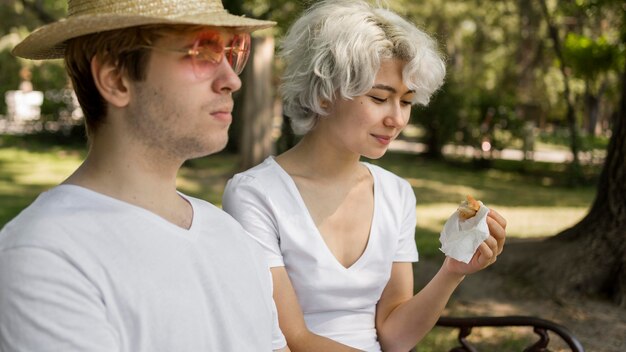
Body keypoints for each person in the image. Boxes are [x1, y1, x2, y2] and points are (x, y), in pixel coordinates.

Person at [0, 0, 289, 351]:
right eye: (204, 52)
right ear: (116, 79)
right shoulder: (45, 255)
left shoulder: (233, 236)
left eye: (233, 52)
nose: (232, 80)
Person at [222, 1, 507, 351]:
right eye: (379, 97)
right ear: (325, 94)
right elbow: (293, 339)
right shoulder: (255, 194)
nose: (397, 119)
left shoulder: (396, 194)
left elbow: (393, 335)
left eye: (406, 102)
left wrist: (452, 271)